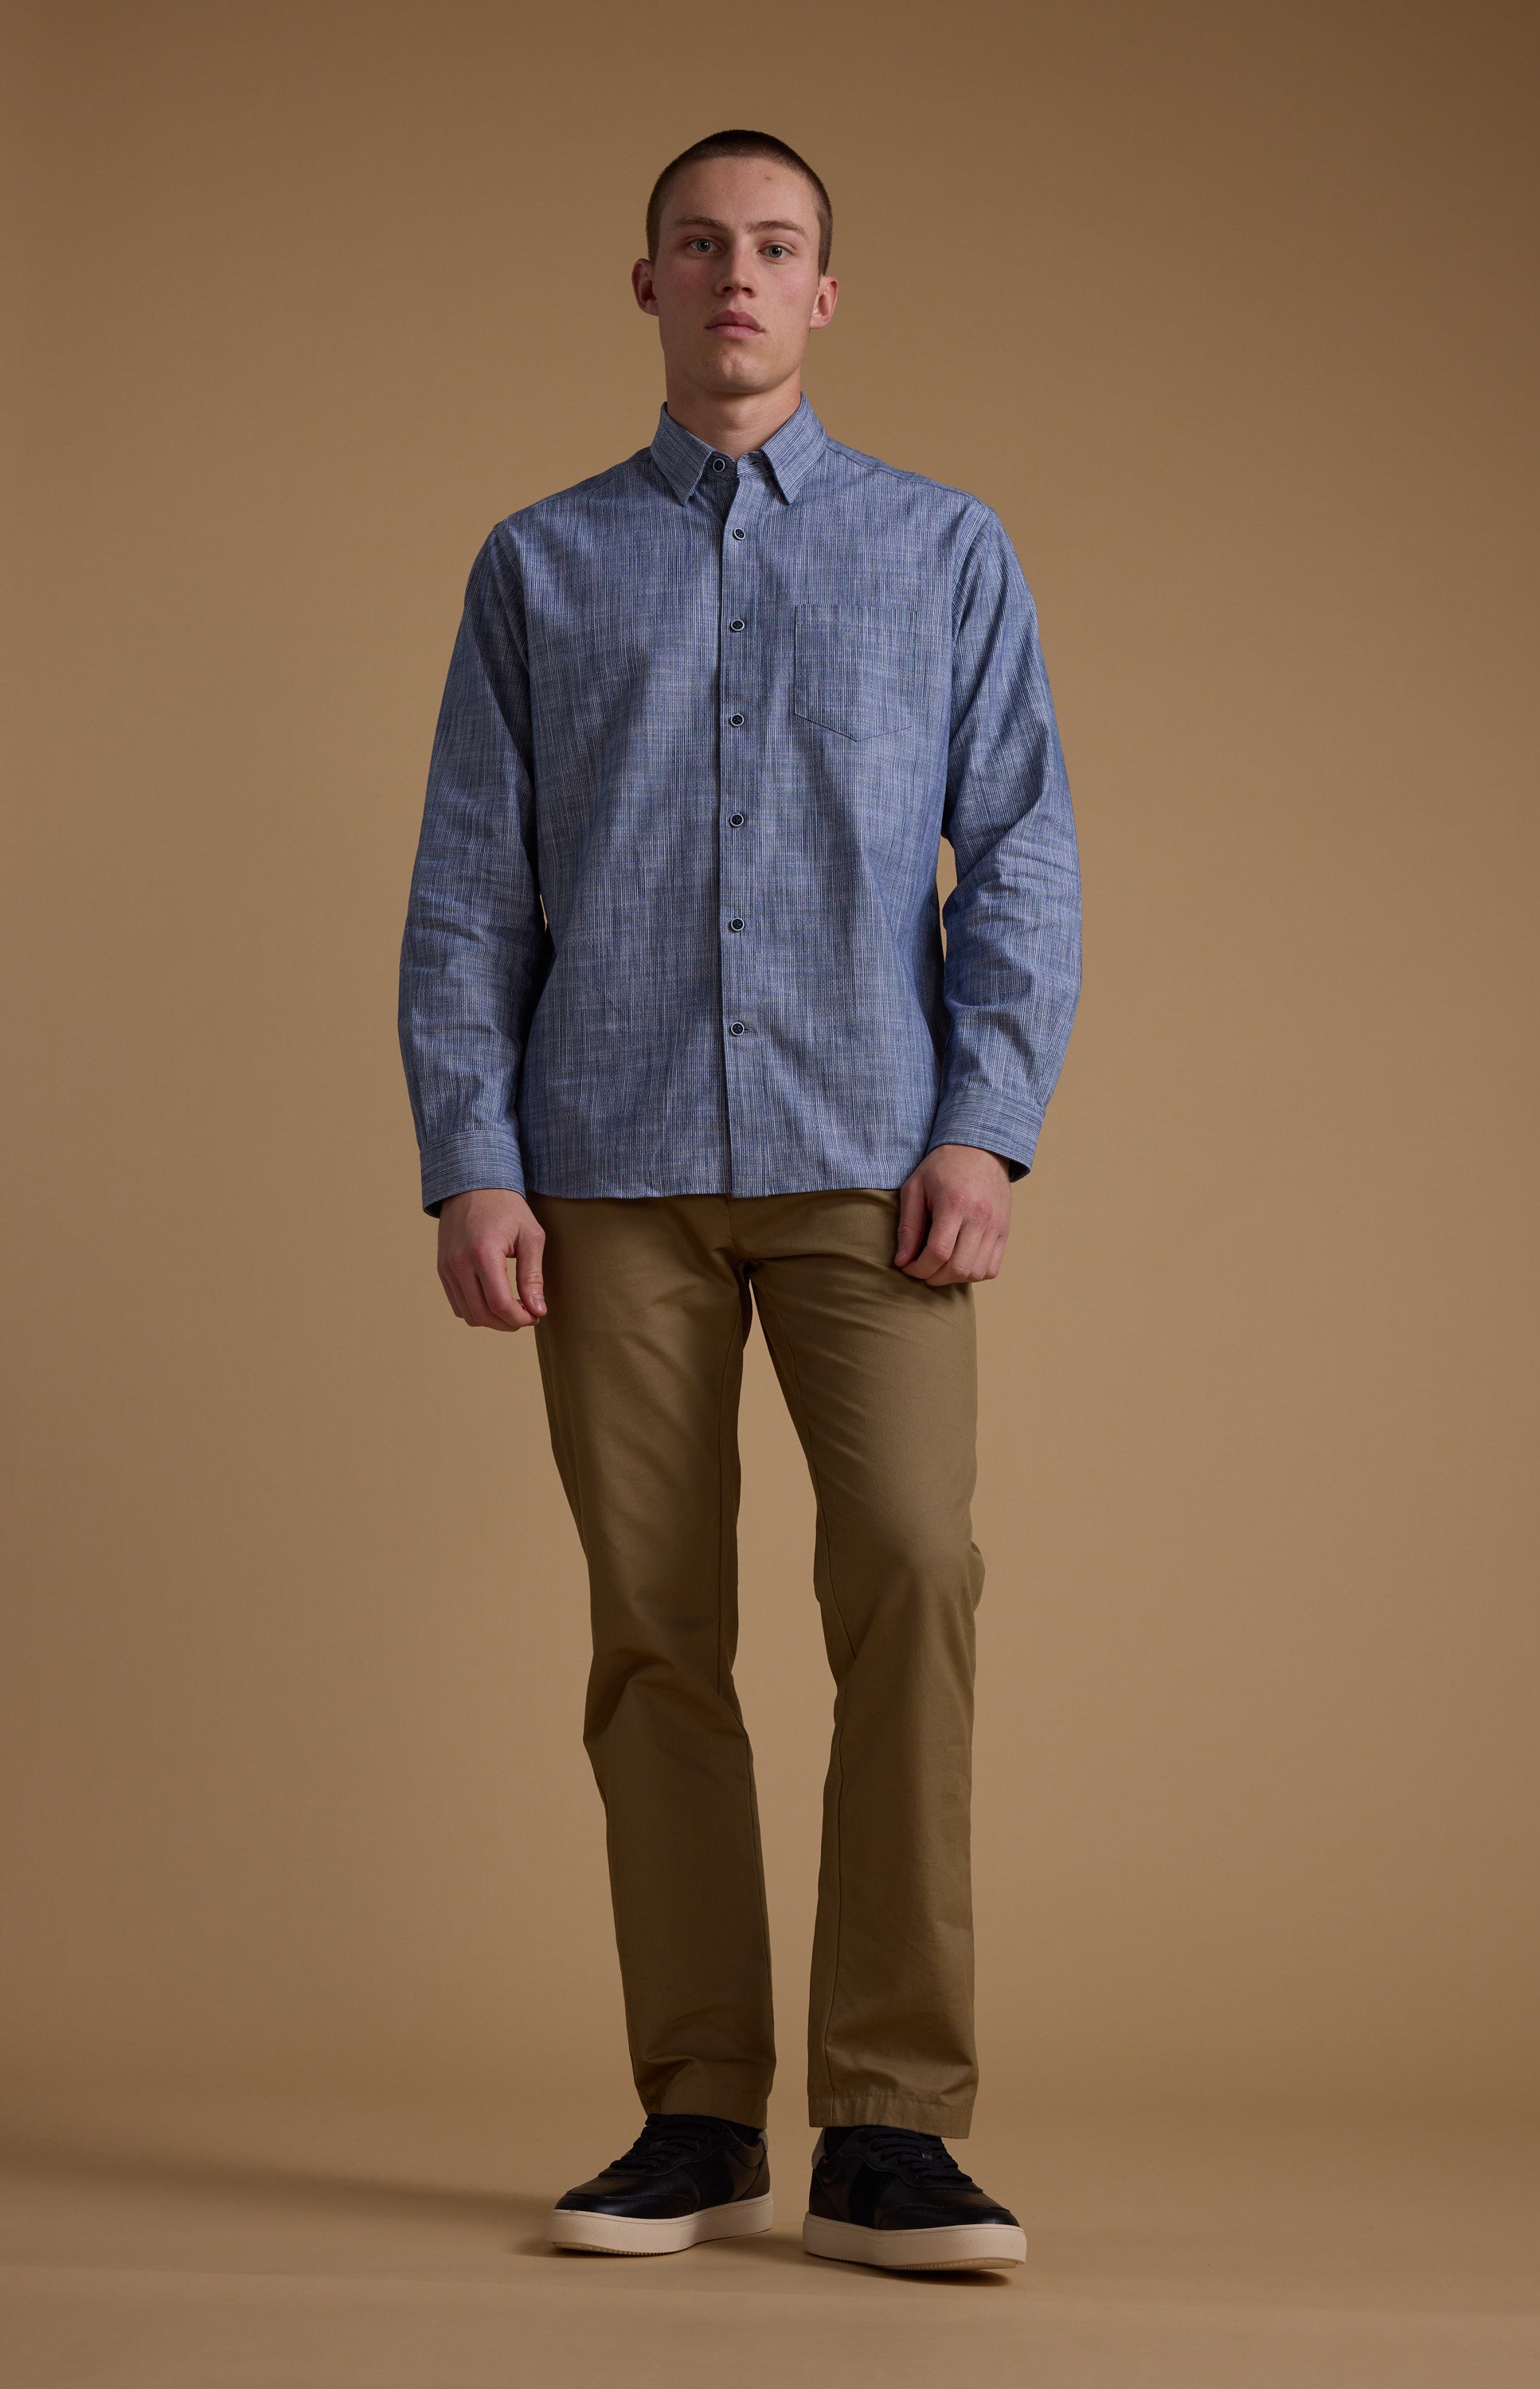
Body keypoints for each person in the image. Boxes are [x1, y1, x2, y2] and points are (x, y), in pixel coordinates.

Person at [397, 127, 1081, 2273]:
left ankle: (892, 2119)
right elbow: (464, 889)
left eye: (774, 249)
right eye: (700, 246)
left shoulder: (941, 549)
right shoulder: (539, 562)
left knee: (907, 1578)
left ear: (822, 295)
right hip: (601, 1178)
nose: (735, 279)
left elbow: (1026, 854)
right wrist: (470, 1156)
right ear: (646, 286)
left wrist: (982, 1125)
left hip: (867, 1164)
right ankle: (697, 2111)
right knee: (650, 1636)